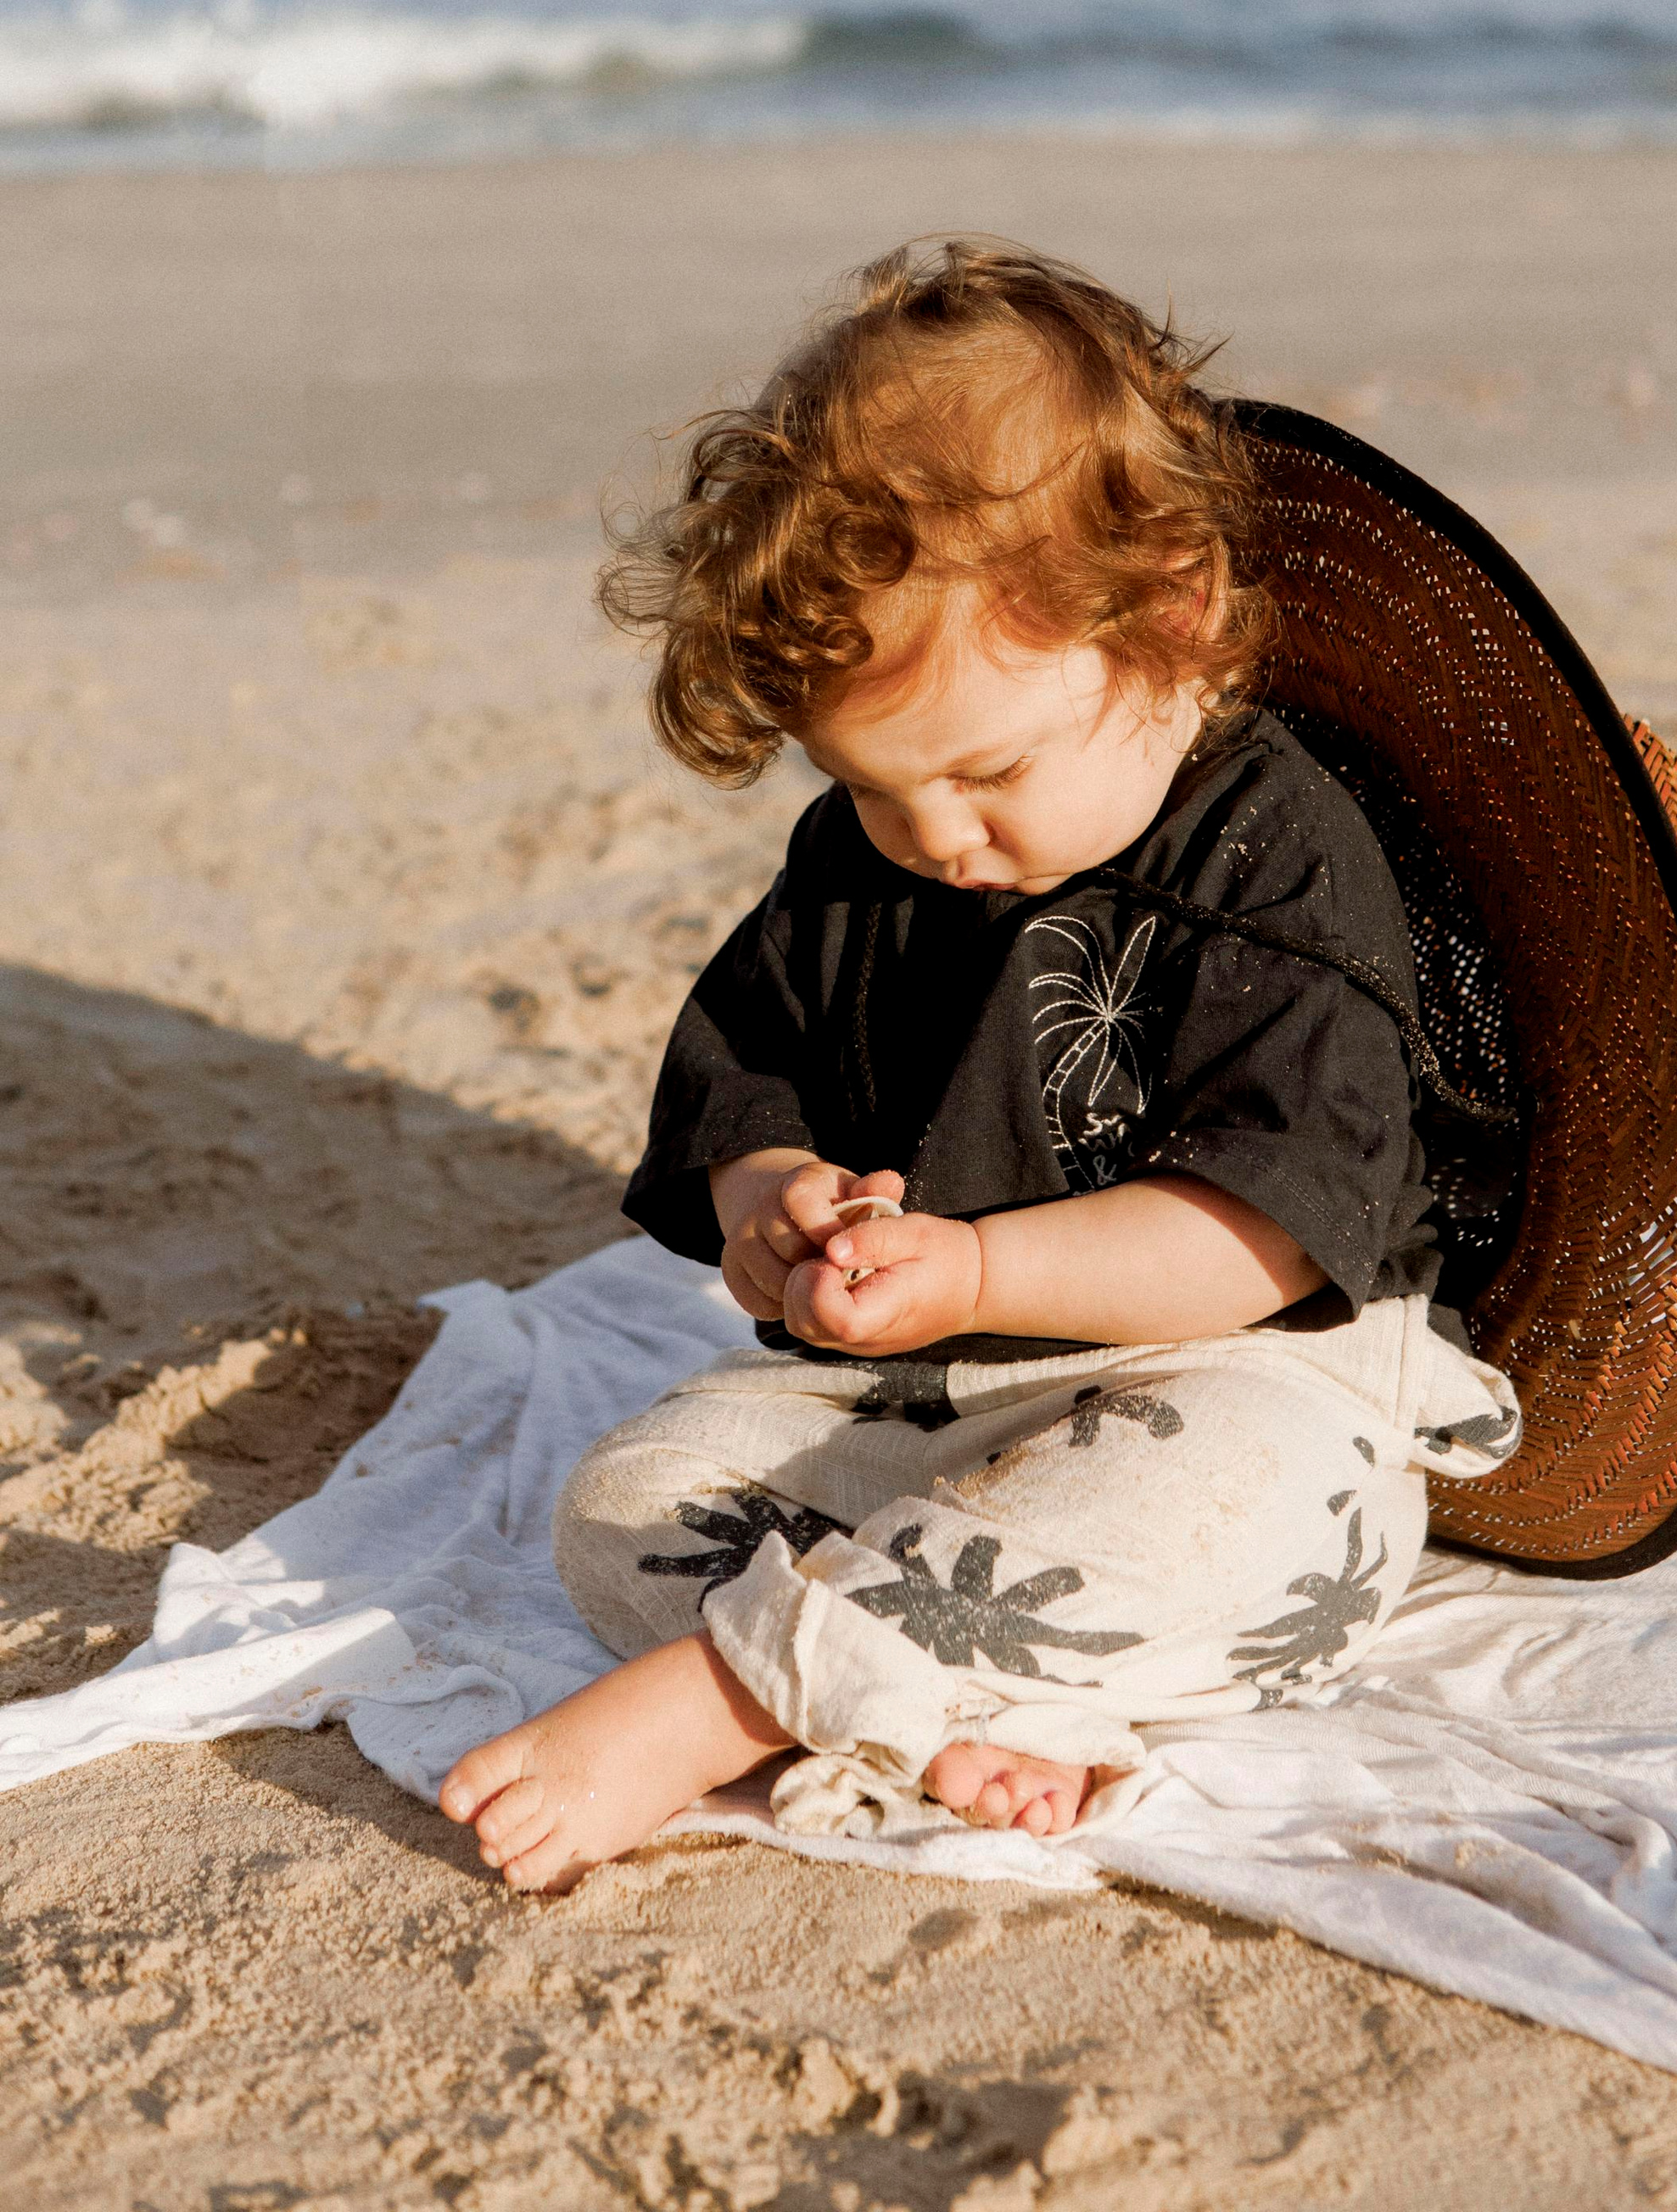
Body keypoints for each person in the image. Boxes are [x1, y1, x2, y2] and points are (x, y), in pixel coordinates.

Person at [439, 238, 1520, 1893]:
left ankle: (737, 1694)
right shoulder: (874, 858)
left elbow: (1262, 1232)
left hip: (1251, 1375)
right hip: (944, 1395)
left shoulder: (1273, 855)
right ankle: (944, 1707)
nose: (937, 838)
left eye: (989, 770)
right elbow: (754, 1073)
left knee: (1260, 1515)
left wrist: (976, 1266)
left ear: (1165, 620)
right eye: (877, 790)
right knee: (628, 1501)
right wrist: (774, 1207)